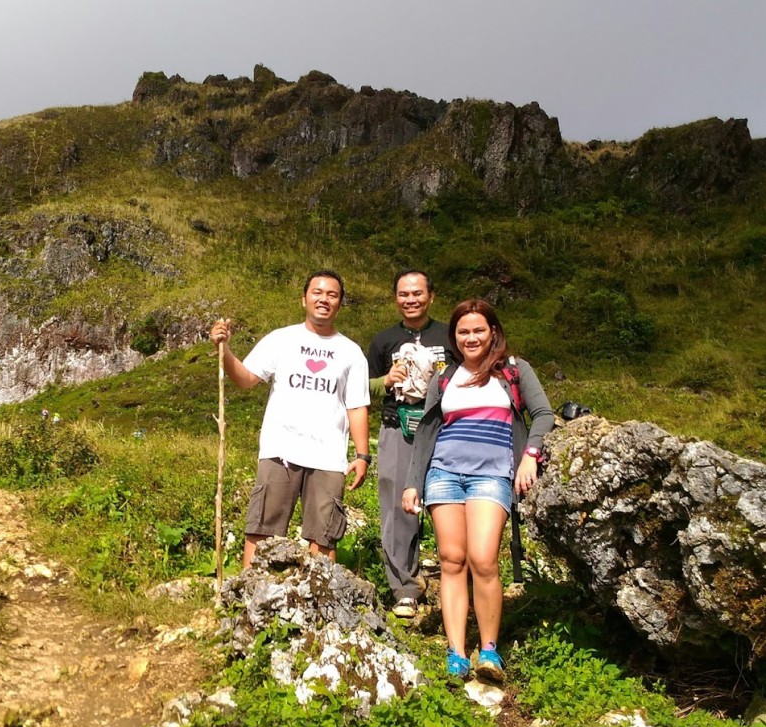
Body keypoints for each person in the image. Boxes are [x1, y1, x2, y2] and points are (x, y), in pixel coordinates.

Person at [402, 299, 553, 682]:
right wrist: (412, 482)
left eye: (478, 330)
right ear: (454, 337)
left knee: (484, 559)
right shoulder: (444, 378)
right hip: (443, 473)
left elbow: (544, 415)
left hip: (493, 474)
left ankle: (488, 650)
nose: (471, 337)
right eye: (463, 332)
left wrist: (530, 455)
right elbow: (428, 432)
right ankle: (456, 652)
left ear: (493, 332)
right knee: (452, 560)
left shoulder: (514, 371)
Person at [210, 270, 371, 568]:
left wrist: (362, 454)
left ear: (340, 303)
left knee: (323, 535)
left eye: (332, 294)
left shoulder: (351, 352)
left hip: (328, 456)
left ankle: (318, 604)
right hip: (279, 449)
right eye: (317, 292)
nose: (324, 299)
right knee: (263, 528)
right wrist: (225, 350)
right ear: (304, 298)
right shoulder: (281, 339)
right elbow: (245, 379)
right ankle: (248, 599)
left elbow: (357, 405)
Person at [366, 270, 452, 618]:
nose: (411, 299)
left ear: (431, 295)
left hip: (446, 427)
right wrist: (385, 380)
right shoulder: (383, 340)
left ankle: (457, 583)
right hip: (396, 426)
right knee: (397, 508)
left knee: (451, 502)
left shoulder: (450, 334)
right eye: (403, 294)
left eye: (417, 293)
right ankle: (404, 587)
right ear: (395, 298)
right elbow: (363, 389)